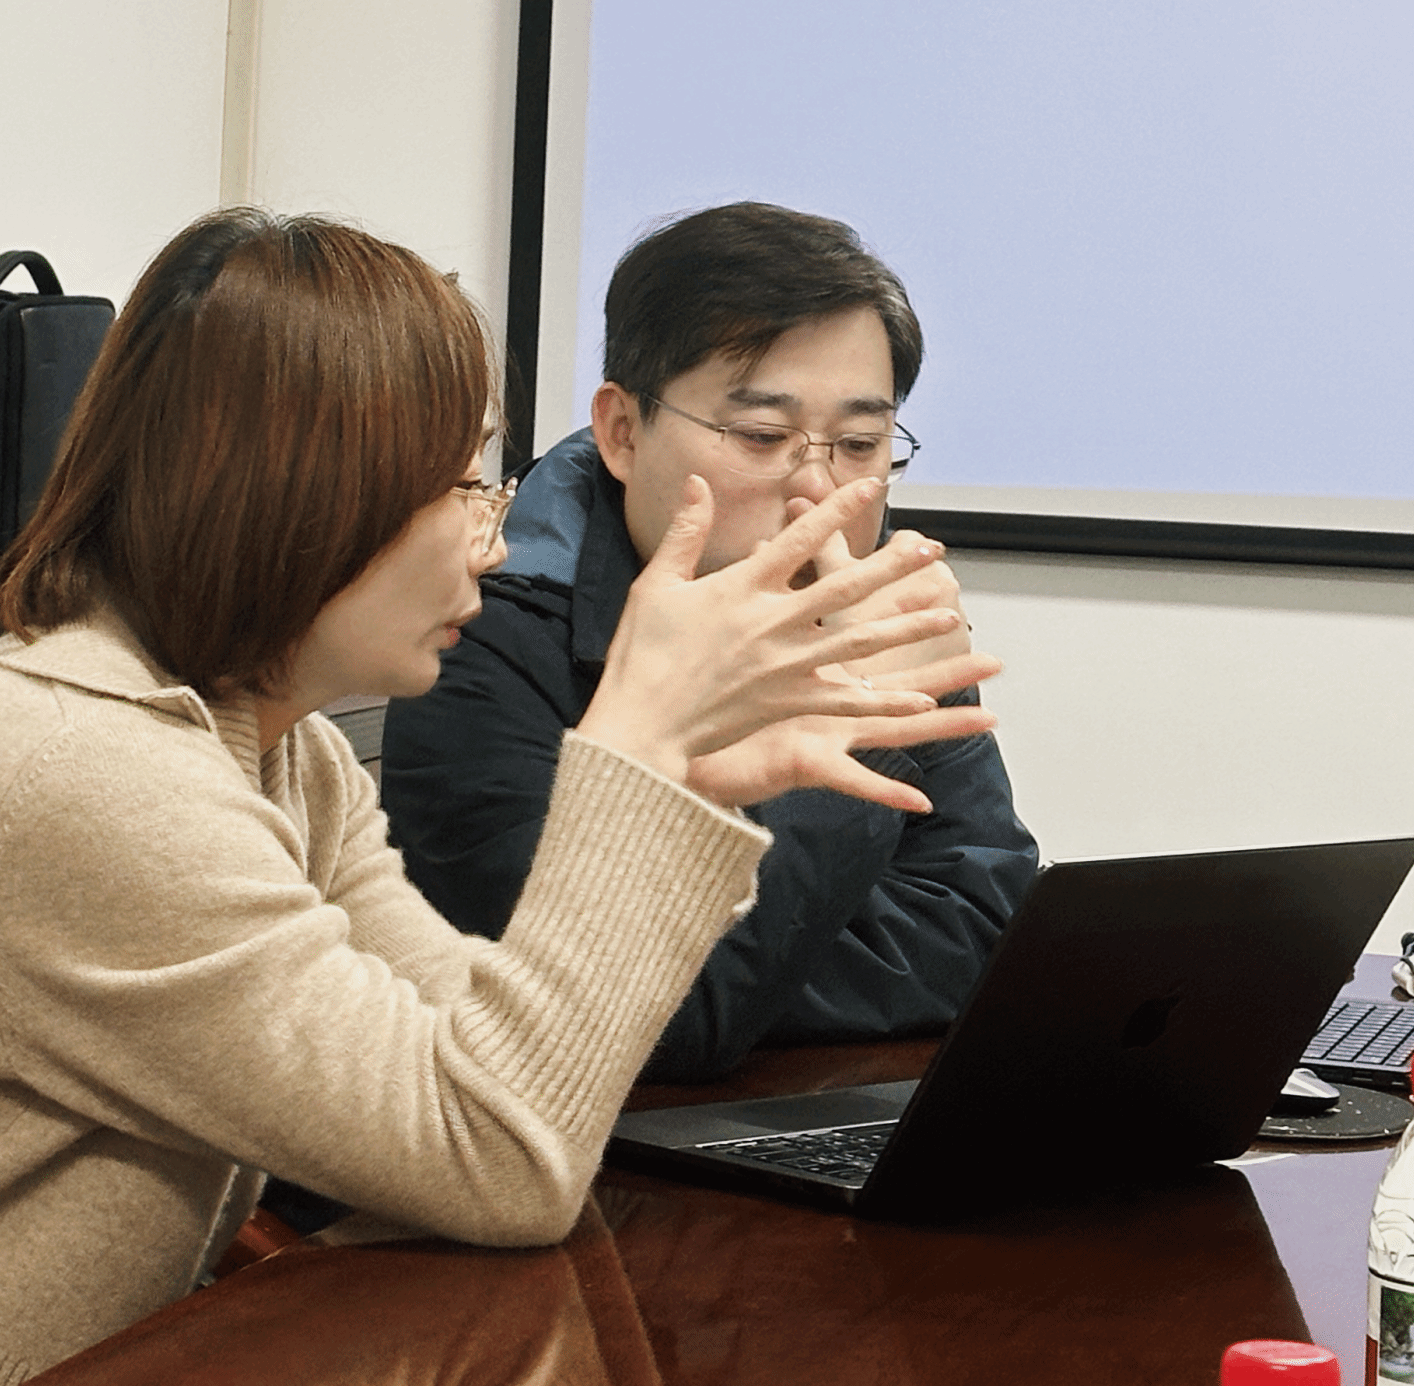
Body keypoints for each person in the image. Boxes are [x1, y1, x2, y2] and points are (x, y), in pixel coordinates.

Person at [0, 210, 1002, 1386]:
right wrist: (637, 758)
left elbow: (473, 1070)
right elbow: (503, 1157)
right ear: (301, 504)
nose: (492, 543)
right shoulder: (84, 777)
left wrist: (674, 779)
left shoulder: (275, 751)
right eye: (460, 490)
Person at [382, 202, 1040, 1083]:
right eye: (762, 437)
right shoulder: (484, 636)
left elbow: (985, 930)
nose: (818, 489)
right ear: (622, 432)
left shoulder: (879, 610)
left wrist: (742, 975)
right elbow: (653, 1024)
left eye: (860, 443)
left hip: (823, 1115)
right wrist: (851, 728)